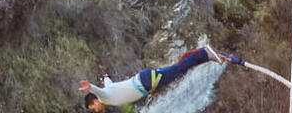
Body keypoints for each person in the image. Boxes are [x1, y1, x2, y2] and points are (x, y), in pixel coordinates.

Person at [79, 46, 244, 112]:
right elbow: (107, 81)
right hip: (145, 79)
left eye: (93, 108)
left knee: (179, 69)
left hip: (147, 81)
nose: (96, 110)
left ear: (94, 101)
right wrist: (105, 77)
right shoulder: (108, 90)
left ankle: (204, 53)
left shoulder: (103, 97)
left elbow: (99, 91)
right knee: (179, 69)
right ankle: (206, 56)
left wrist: (90, 86)